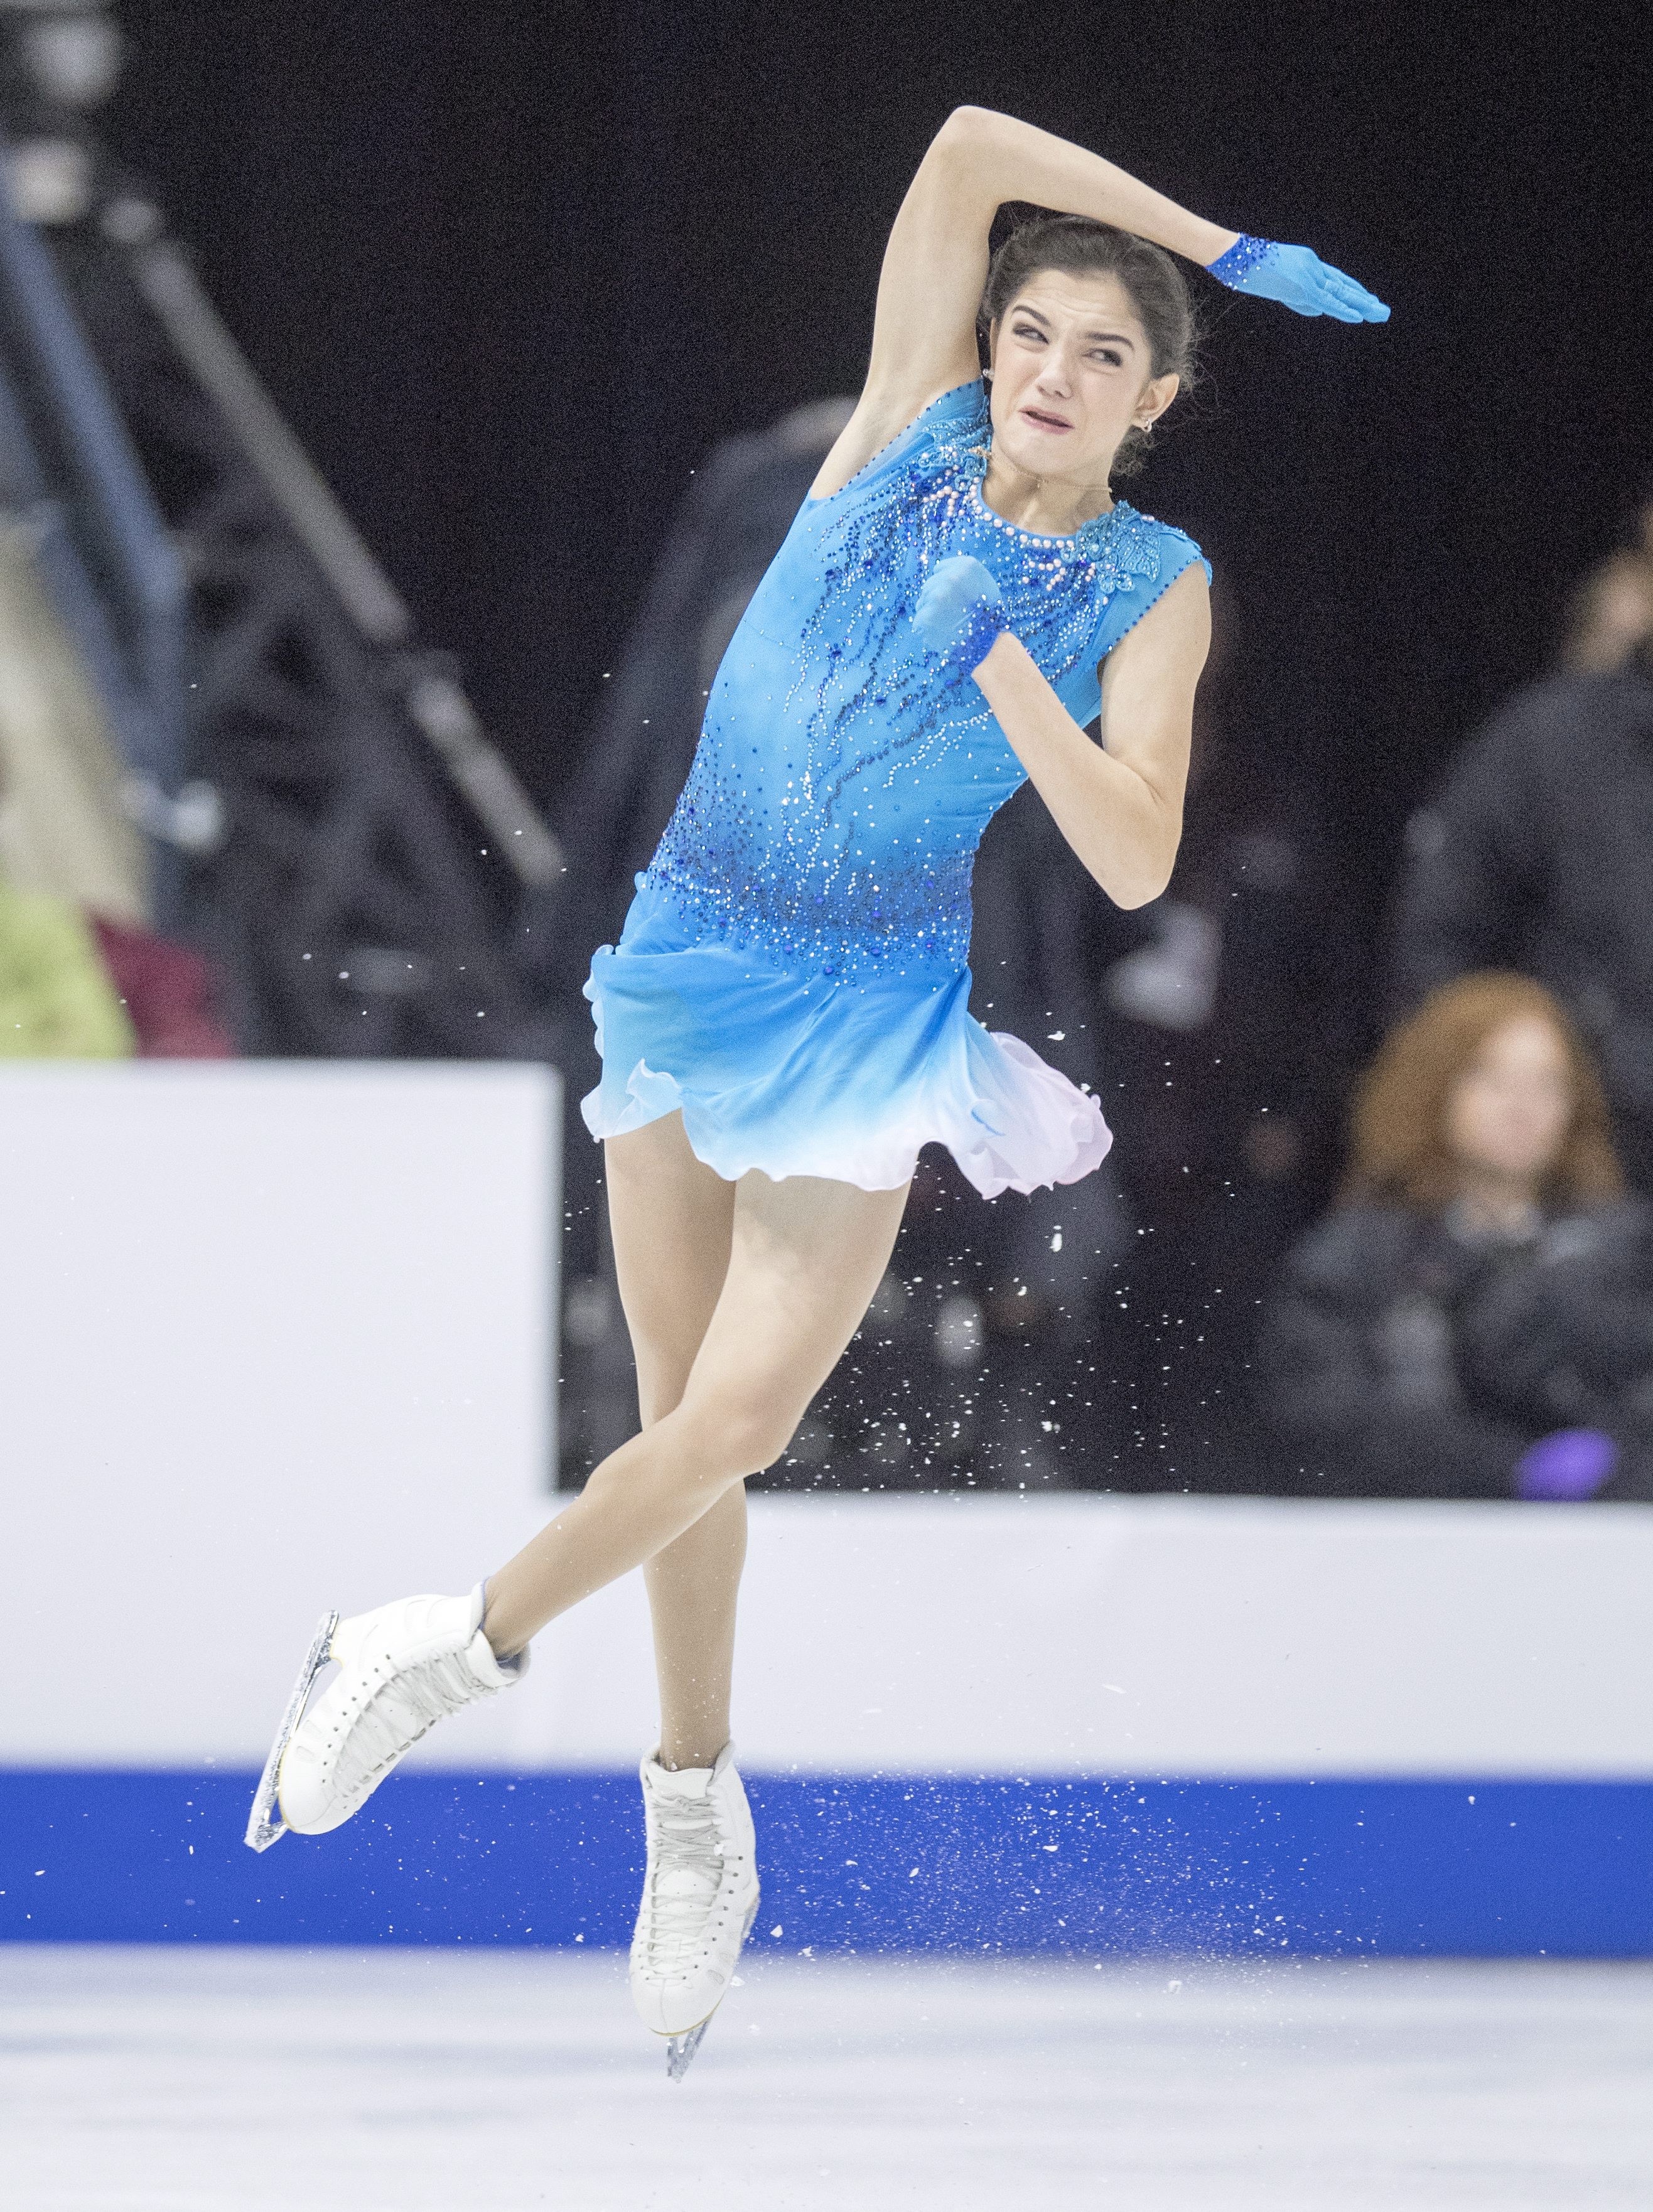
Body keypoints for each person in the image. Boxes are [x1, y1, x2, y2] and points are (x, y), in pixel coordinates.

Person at [246, 105, 1387, 2070]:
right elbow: (959, 148)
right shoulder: (896, 435)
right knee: (679, 1427)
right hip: (692, 963)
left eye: (1103, 353)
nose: (1048, 371)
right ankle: (692, 1808)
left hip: (866, 1018)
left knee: (742, 1417)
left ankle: (437, 1645)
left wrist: (1006, 667)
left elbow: (1128, 855)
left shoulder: (1148, 578)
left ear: (1155, 400)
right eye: (1029, 332)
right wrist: (1212, 228)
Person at [1261, 974, 1653, 1502]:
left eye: (1547, 1083)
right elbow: (1324, 1416)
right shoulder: (1359, 1253)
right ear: (1433, 1087)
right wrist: (1508, 1468)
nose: (1522, 1106)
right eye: (1490, 1078)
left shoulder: (1626, 1249)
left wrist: (1622, 1460)